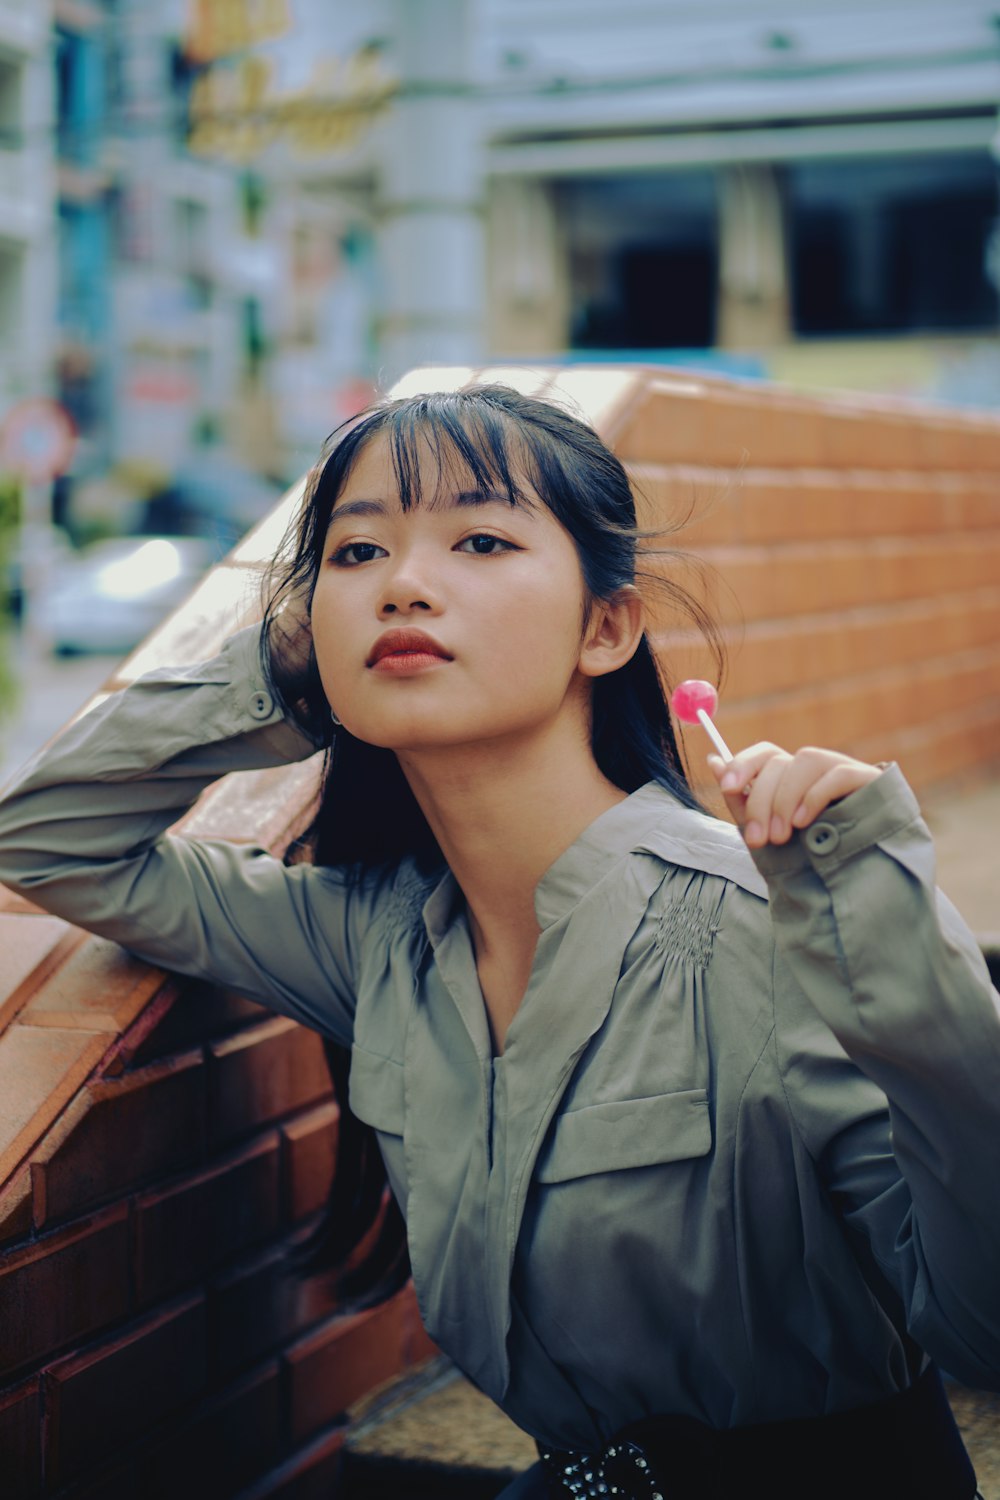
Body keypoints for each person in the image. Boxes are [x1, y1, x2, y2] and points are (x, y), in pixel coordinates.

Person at [0, 385, 997, 1500]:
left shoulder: (772, 927)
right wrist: (283, 671)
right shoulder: (375, 941)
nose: (406, 584)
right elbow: (48, 842)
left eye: (480, 539)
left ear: (604, 627)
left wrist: (903, 954)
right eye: (357, 550)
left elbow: (984, 1327)